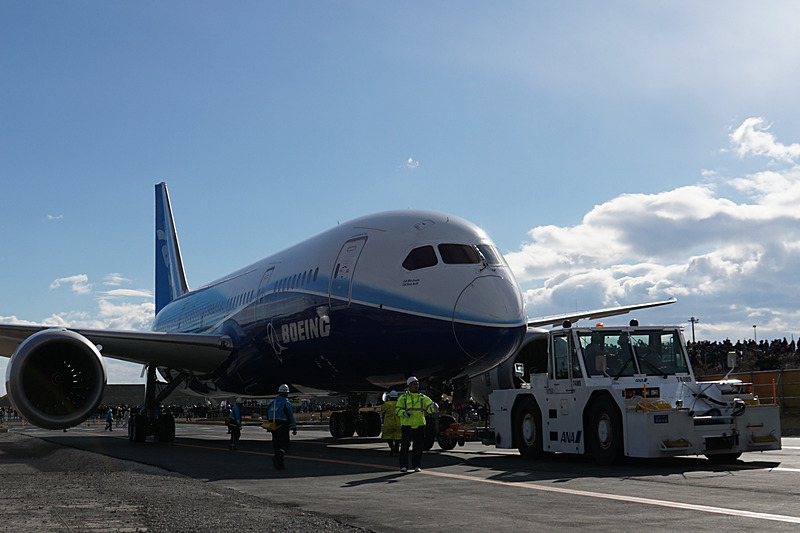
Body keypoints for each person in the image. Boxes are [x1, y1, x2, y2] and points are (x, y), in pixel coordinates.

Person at [395, 376, 436, 472]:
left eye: (417, 384)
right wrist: (403, 413)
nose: (416, 386)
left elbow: (430, 408)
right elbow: (397, 409)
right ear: (409, 386)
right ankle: (403, 466)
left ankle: (416, 465)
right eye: (414, 385)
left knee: (418, 447)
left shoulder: (423, 398)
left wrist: (434, 407)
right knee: (405, 446)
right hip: (407, 425)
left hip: (419, 425)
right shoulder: (403, 398)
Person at [267, 384, 297, 470]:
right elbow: (290, 416)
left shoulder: (273, 403)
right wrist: (294, 427)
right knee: (285, 445)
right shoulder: (286, 403)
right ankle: (278, 457)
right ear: (286, 393)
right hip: (283, 426)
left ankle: (279, 465)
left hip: (273, 426)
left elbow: (268, 414)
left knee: (276, 445)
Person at [380, 390, 401, 455]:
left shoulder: (387, 404)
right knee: (397, 438)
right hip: (398, 423)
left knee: (388, 437)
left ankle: (392, 448)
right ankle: (397, 450)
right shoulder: (399, 403)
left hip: (389, 423)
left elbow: (382, 409)